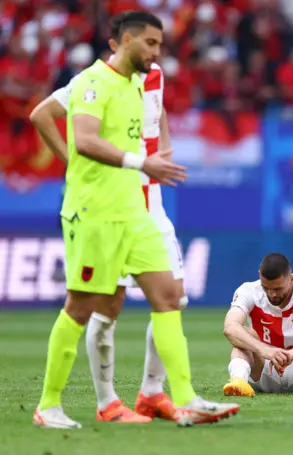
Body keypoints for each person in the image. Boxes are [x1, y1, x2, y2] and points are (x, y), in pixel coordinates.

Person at [31, 11, 239, 429]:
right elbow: (80, 136)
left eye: (159, 45)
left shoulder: (141, 81)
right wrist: (131, 162)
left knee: (168, 298)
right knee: (85, 307)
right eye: (150, 43)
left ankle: (183, 398)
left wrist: (159, 152)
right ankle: (50, 405)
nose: (157, 52)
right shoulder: (92, 83)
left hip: (137, 210)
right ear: (121, 42)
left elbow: (153, 115)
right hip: (96, 212)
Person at [222, 253, 293, 396]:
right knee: (244, 336)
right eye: (266, 288)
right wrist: (264, 350)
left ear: (292, 279)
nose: (271, 294)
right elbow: (230, 327)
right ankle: (238, 382)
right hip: (264, 368)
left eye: (278, 289)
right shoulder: (248, 291)